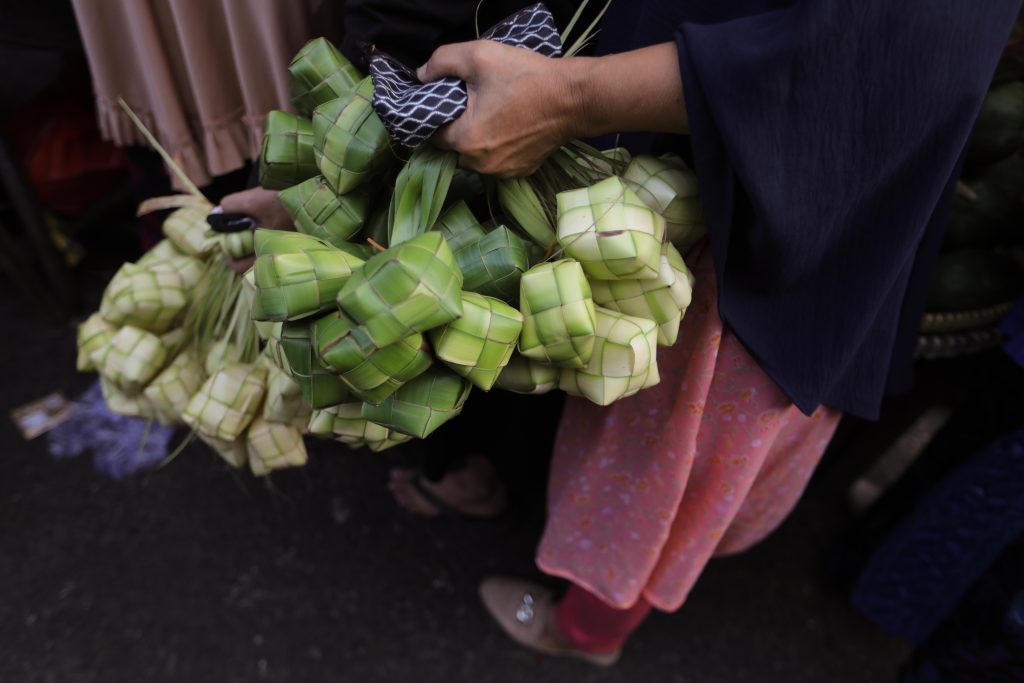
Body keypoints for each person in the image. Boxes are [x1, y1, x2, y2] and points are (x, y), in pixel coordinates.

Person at [405, 0, 1023, 666]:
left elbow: (872, 52)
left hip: (770, 266)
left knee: (663, 474)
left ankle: (585, 629)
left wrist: (576, 96)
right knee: (667, 464)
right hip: (758, 226)